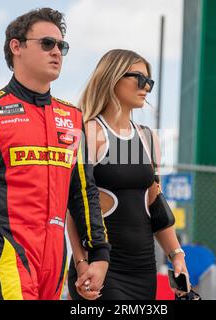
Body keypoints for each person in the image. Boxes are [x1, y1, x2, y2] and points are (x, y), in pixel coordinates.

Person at [0, 8, 110, 300]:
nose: (57, 52)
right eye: (47, 43)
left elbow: (84, 192)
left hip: (53, 260)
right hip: (3, 253)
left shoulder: (72, 117)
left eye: (62, 46)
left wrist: (98, 255)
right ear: (16, 47)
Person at [67, 49, 189, 300]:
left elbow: (156, 205)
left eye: (149, 81)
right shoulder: (88, 133)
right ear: (112, 77)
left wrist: (177, 256)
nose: (146, 86)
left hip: (143, 269)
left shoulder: (148, 138)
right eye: (139, 78)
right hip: (102, 267)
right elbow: (74, 208)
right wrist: (81, 264)